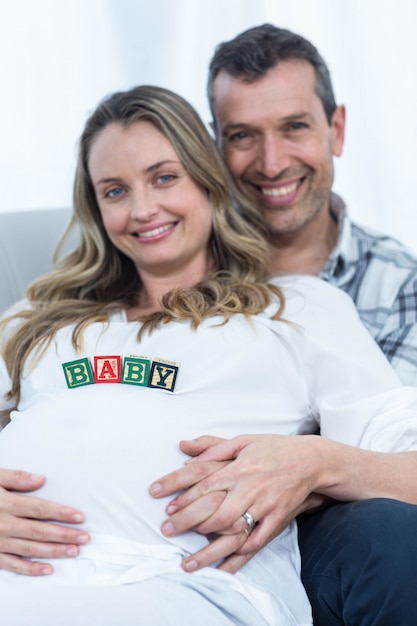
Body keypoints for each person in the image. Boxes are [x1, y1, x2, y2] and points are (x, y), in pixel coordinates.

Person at [2, 84, 417, 625]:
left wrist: (319, 463)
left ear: (208, 178)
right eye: (114, 191)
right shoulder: (38, 315)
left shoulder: (297, 308)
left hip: (184, 589)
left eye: (164, 177)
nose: (143, 209)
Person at [145, 24, 417, 626]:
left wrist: (315, 464)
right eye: (243, 136)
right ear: (213, 145)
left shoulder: (402, 288)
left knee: (391, 530)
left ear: (336, 129)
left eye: (295, 126)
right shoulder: (156, 261)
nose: (272, 164)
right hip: (160, 547)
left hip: (348, 564)